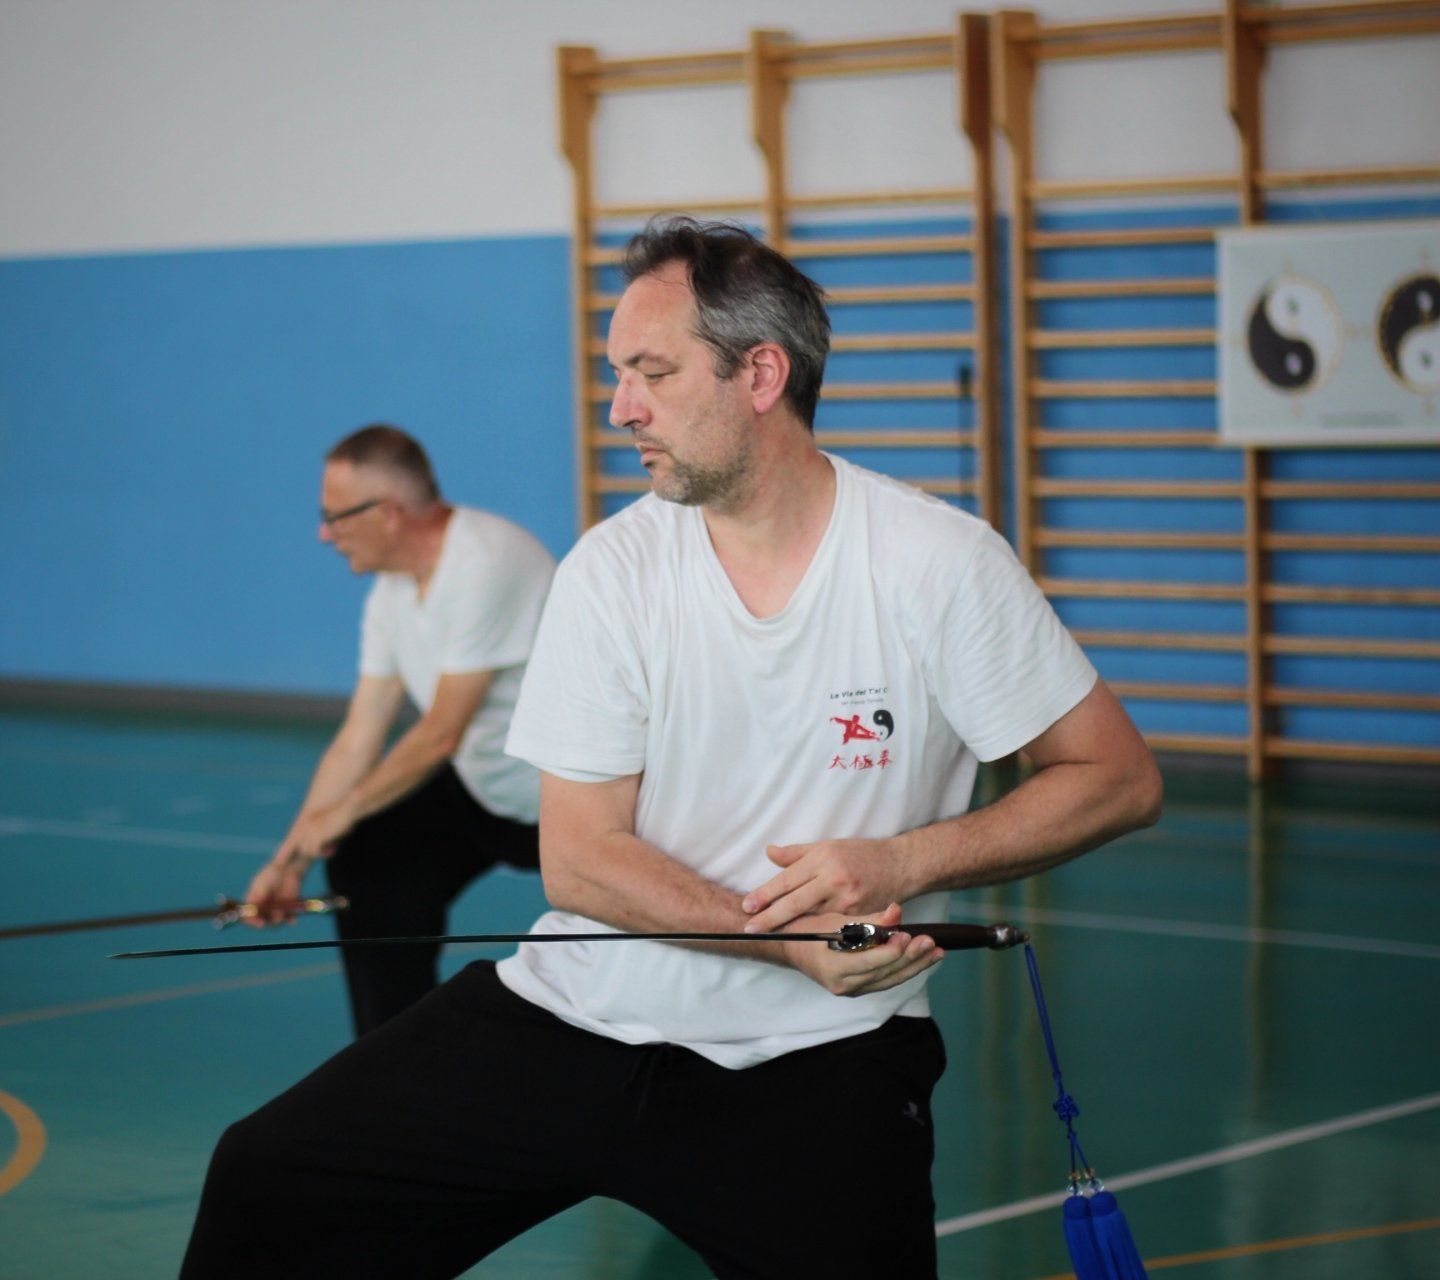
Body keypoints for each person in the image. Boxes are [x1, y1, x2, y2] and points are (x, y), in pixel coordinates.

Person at [179, 219, 1161, 1278]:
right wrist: (780, 938)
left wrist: (903, 861)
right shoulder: (612, 570)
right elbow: (581, 856)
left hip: (818, 1057)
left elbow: (1116, 776)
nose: (621, 408)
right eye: (618, 374)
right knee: (269, 1177)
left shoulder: (936, 562)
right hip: (577, 1015)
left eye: (651, 372)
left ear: (761, 375)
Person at [242, 424, 556, 1037]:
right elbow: (359, 734)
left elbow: (440, 731)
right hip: (487, 791)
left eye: (333, 517)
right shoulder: (390, 593)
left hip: (579, 802)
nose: (323, 533)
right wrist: (290, 859)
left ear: (387, 513)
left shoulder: (485, 561)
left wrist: (346, 809)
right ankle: (392, 1054)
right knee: (369, 856)